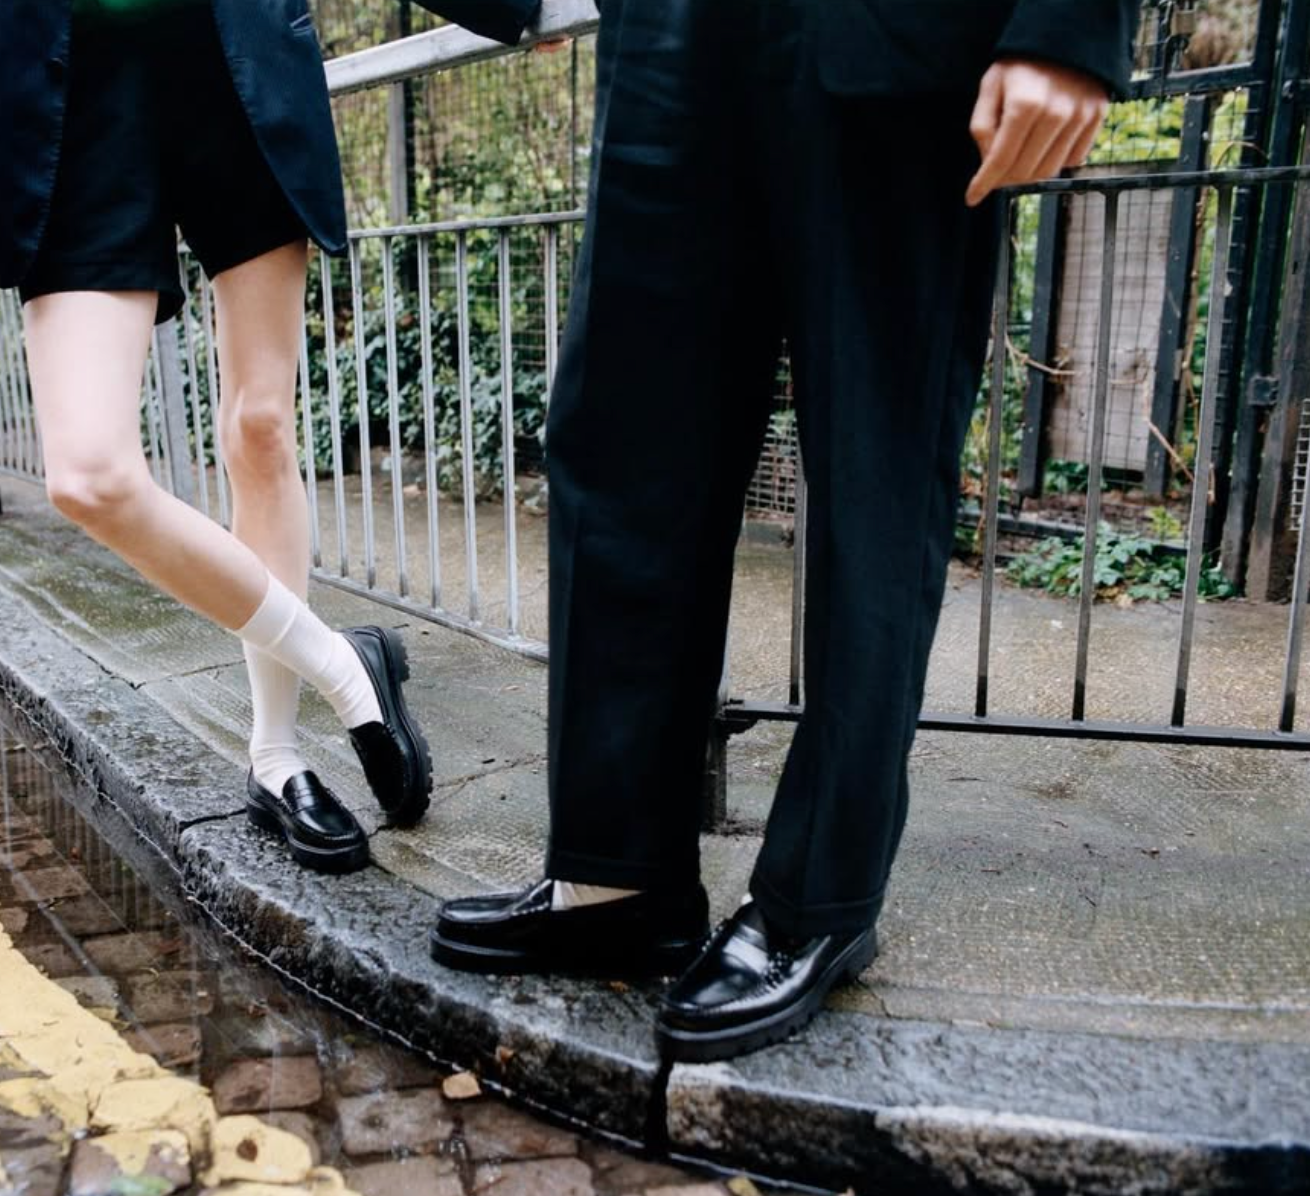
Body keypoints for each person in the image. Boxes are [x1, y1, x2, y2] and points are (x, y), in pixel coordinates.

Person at [432, 0, 1136, 1062]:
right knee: (619, 440)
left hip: (890, 41)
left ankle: (819, 897)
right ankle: (615, 877)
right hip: (668, 30)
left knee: (873, 467)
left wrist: (1067, 25)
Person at [0, 0, 540, 874]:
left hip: (228, 59)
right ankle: (344, 666)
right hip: (58, 95)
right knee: (89, 476)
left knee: (261, 429)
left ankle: (276, 758)